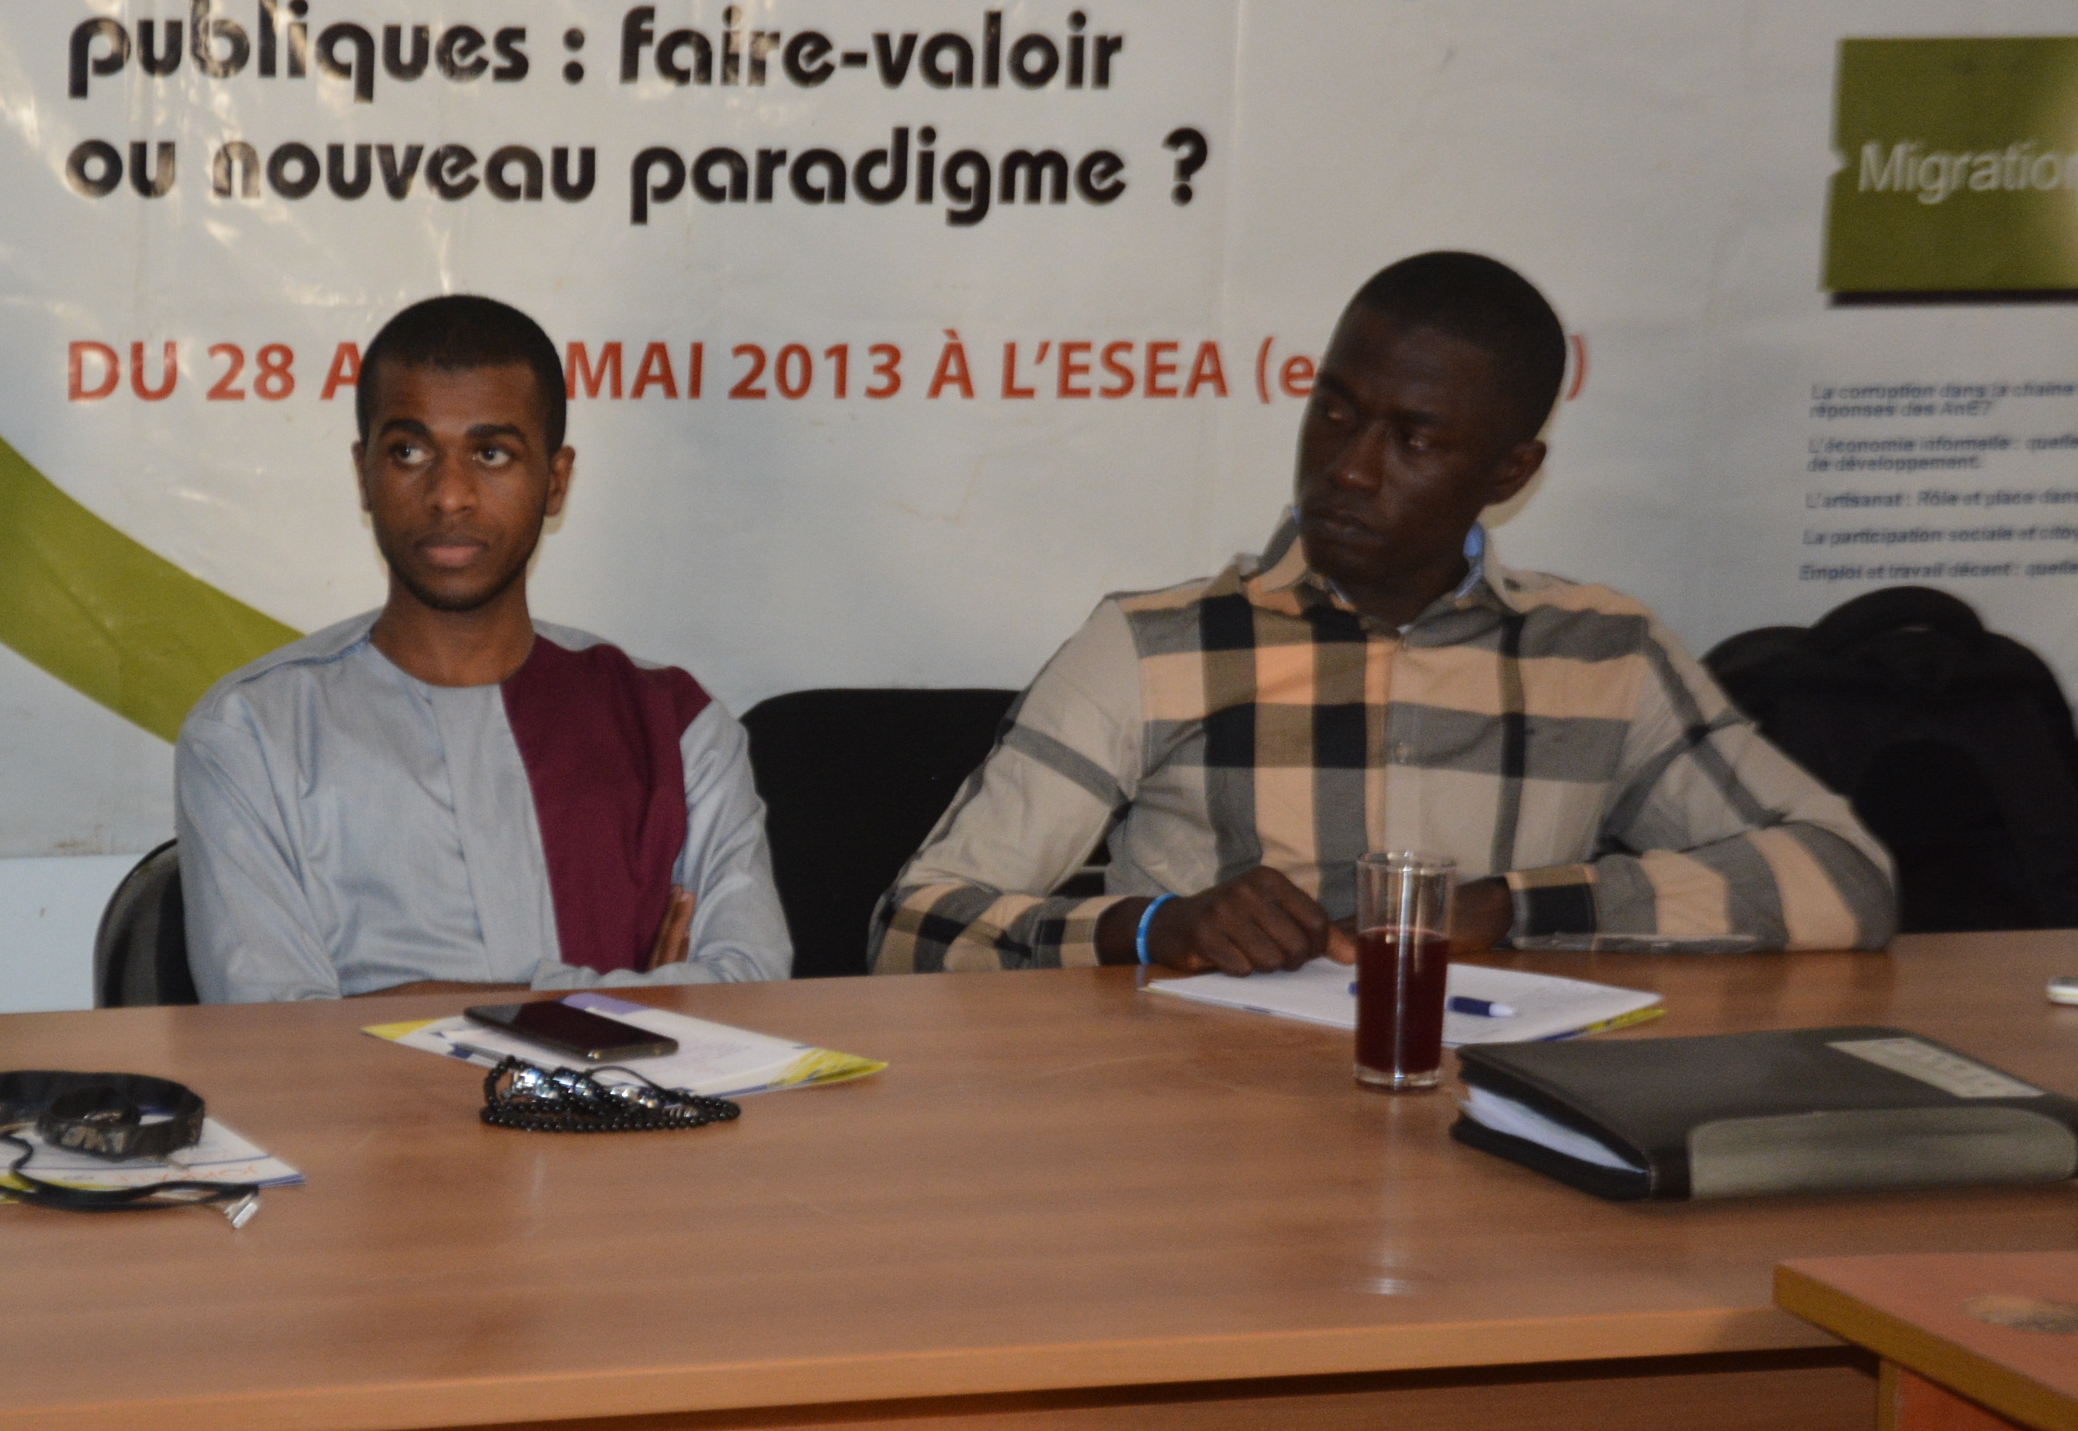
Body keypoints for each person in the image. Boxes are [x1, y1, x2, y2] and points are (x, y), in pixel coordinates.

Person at [873, 251, 1896, 977]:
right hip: (1209, 1134)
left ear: (1510, 472)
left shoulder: (1601, 655)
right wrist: (1151, 929)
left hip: (1488, 1123)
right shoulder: (1157, 644)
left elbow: (1846, 875)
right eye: (1335, 411)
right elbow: (913, 926)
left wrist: (1511, 908)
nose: (1351, 468)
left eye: (1413, 440)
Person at [177, 293, 791, 1001]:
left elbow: (747, 997)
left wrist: (403, 1005)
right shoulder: (250, 733)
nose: (450, 496)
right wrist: (635, 999)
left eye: (492, 454)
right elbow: (275, 1038)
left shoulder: (676, 727)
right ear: (364, 474)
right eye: (409, 452)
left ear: (556, 481)